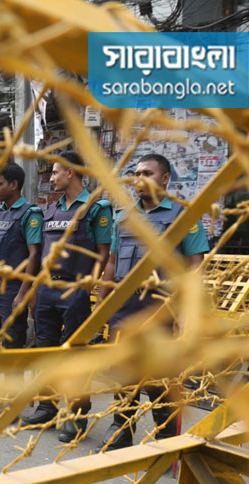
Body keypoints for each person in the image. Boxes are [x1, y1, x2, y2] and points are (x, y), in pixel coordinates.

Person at [95, 153, 208, 452]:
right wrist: (101, 305)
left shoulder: (183, 216)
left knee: (159, 377)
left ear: (165, 178)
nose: (138, 178)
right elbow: (112, 263)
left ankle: (164, 438)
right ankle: (121, 429)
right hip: (125, 308)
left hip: (162, 308)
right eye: (135, 172)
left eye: (147, 172)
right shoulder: (124, 216)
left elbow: (196, 265)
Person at [20, 152, 112, 441]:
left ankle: (76, 413)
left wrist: (88, 287)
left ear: (71, 173)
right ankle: (47, 407)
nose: (52, 178)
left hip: (75, 289)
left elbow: (103, 253)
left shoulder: (97, 208)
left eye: (56, 172)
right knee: (45, 349)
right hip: (47, 289)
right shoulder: (50, 210)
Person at [0, 163, 43, 350]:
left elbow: (34, 255)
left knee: (12, 345)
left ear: (13, 185)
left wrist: (22, 294)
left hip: (13, 288)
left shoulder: (30, 214)